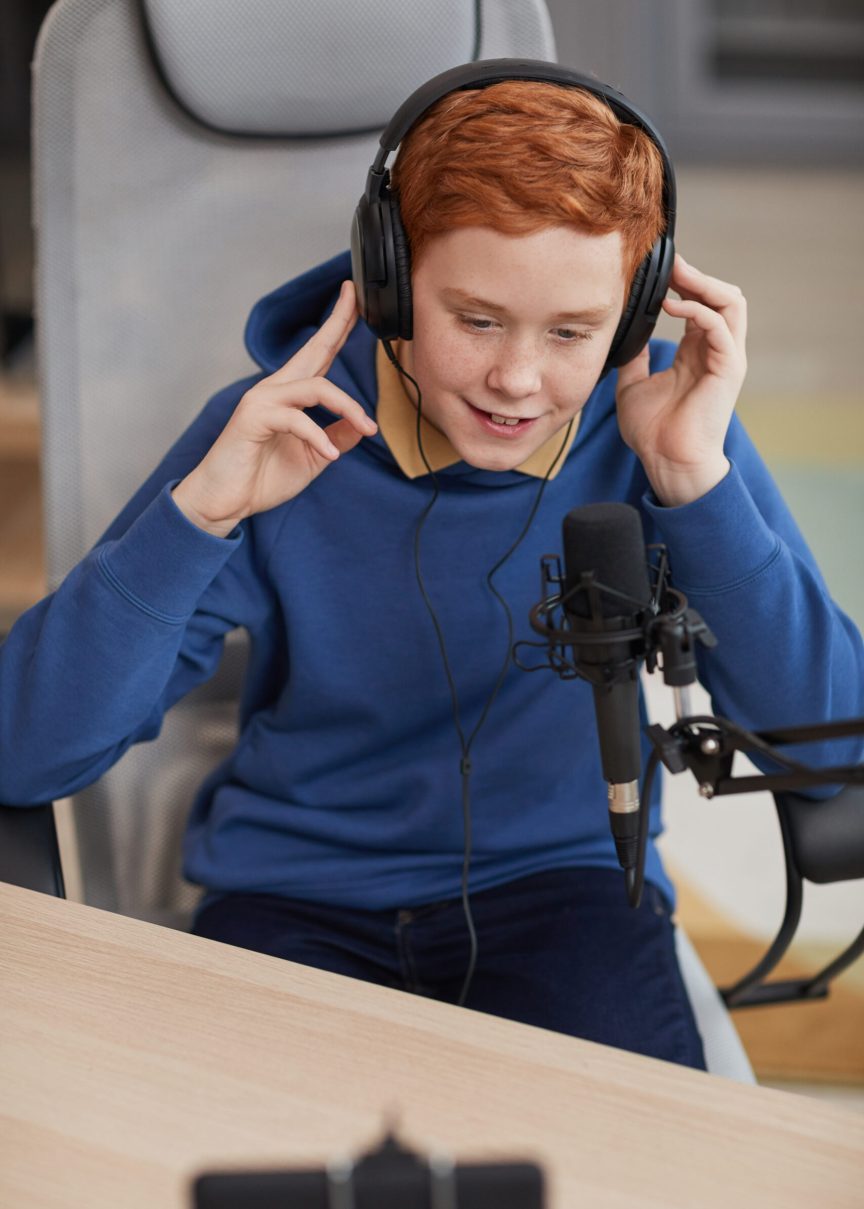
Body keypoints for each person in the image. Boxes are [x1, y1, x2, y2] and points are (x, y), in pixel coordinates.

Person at [1, 63, 862, 1072]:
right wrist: (201, 515)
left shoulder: (664, 429)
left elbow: (831, 746)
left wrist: (694, 485)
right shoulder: (278, 432)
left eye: (574, 333)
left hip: (565, 889)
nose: (518, 378)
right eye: (478, 319)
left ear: (633, 320)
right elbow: (25, 751)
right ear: (389, 283)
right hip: (297, 896)